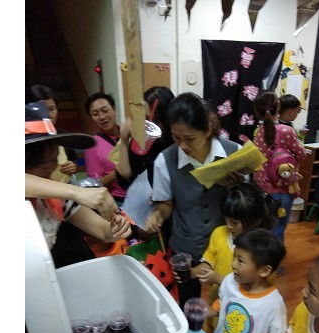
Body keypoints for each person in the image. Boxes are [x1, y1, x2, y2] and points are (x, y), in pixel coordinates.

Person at [144, 92, 244, 308]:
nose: (182, 145)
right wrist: (157, 215)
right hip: (186, 248)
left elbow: (247, 206)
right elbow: (166, 204)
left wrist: (237, 187)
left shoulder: (234, 153)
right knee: (188, 304)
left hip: (226, 246)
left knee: (229, 301)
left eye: (189, 138)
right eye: (176, 137)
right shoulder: (165, 160)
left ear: (207, 129)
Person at [25, 101, 132, 268]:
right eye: (43, 161)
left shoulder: (56, 198)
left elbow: (102, 231)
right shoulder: (62, 192)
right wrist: (77, 192)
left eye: (54, 158)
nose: (52, 167)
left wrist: (115, 229)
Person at [190, 182, 277, 333]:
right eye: (227, 219)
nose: (229, 226)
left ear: (254, 221)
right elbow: (208, 262)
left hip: (240, 319)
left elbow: (255, 292)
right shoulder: (219, 234)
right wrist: (191, 272)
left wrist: (218, 278)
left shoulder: (262, 251)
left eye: (235, 222)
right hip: (216, 306)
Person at [206, 229, 288, 333]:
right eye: (234, 257)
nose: (233, 264)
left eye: (240, 261)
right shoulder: (230, 281)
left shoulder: (274, 304)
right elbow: (221, 305)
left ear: (264, 270)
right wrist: (203, 313)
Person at [252, 90, 307, 276]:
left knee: (263, 227)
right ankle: (272, 267)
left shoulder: (258, 132)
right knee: (277, 229)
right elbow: (301, 154)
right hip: (281, 190)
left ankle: (259, 262)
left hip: (261, 188)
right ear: (277, 107)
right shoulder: (285, 131)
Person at [116, 86, 175, 226]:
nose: (151, 126)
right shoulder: (142, 141)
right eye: (146, 120)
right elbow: (124, 178)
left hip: (171, 218)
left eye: (157, 121)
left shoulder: (176, 145)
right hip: (144, 218)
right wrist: (123, 141)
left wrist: (162, 196)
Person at [26, 84, 79, 183]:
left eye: (52, 109)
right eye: (42, 110)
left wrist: (72, 166)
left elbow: (73, 161)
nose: (49, 115)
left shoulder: (63, 136)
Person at [84, 93, 127, 205]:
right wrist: (117, 174)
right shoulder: (92, 145)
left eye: (105, 110)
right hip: (119, 201)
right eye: (95, 114)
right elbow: (95, 185)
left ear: (114, 110)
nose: (102, 117)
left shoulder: (128, 133)